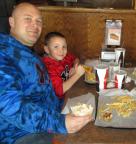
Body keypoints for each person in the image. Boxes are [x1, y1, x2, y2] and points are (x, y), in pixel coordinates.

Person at [0, 2, 92, 144]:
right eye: (28, 19)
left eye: (38, 21)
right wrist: (60, 123)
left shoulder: (28, 52)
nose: (34, 25)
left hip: (51, 117)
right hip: (22, 134)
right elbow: (11, 106)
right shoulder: (4, 53)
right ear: (12, 22)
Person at [42, 32, 84, 105]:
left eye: (64, 47)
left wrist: (74, 67)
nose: (61, 51)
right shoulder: (48, 67)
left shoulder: (64, 57)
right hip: (56, 103)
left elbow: (75, 59)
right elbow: (59, 91)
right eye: (56, 47)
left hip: (68, 93)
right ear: (47, 49)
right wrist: (77, 75)